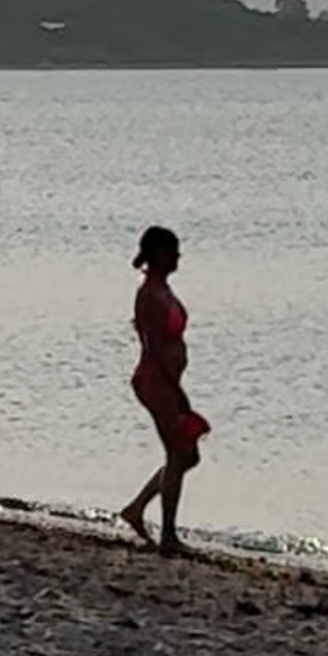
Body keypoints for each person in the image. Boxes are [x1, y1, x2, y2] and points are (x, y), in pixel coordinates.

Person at [121, 222, 206, 553]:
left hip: (167, 381)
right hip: (156, 381)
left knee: (187, 455)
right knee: (179, 453)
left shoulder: (162, 289)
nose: (179, 257)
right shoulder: (149, 295)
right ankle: (168, 535)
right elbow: (154, 347)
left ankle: (137, 509)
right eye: (173, 251)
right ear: (158, 254)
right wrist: (177, 392)